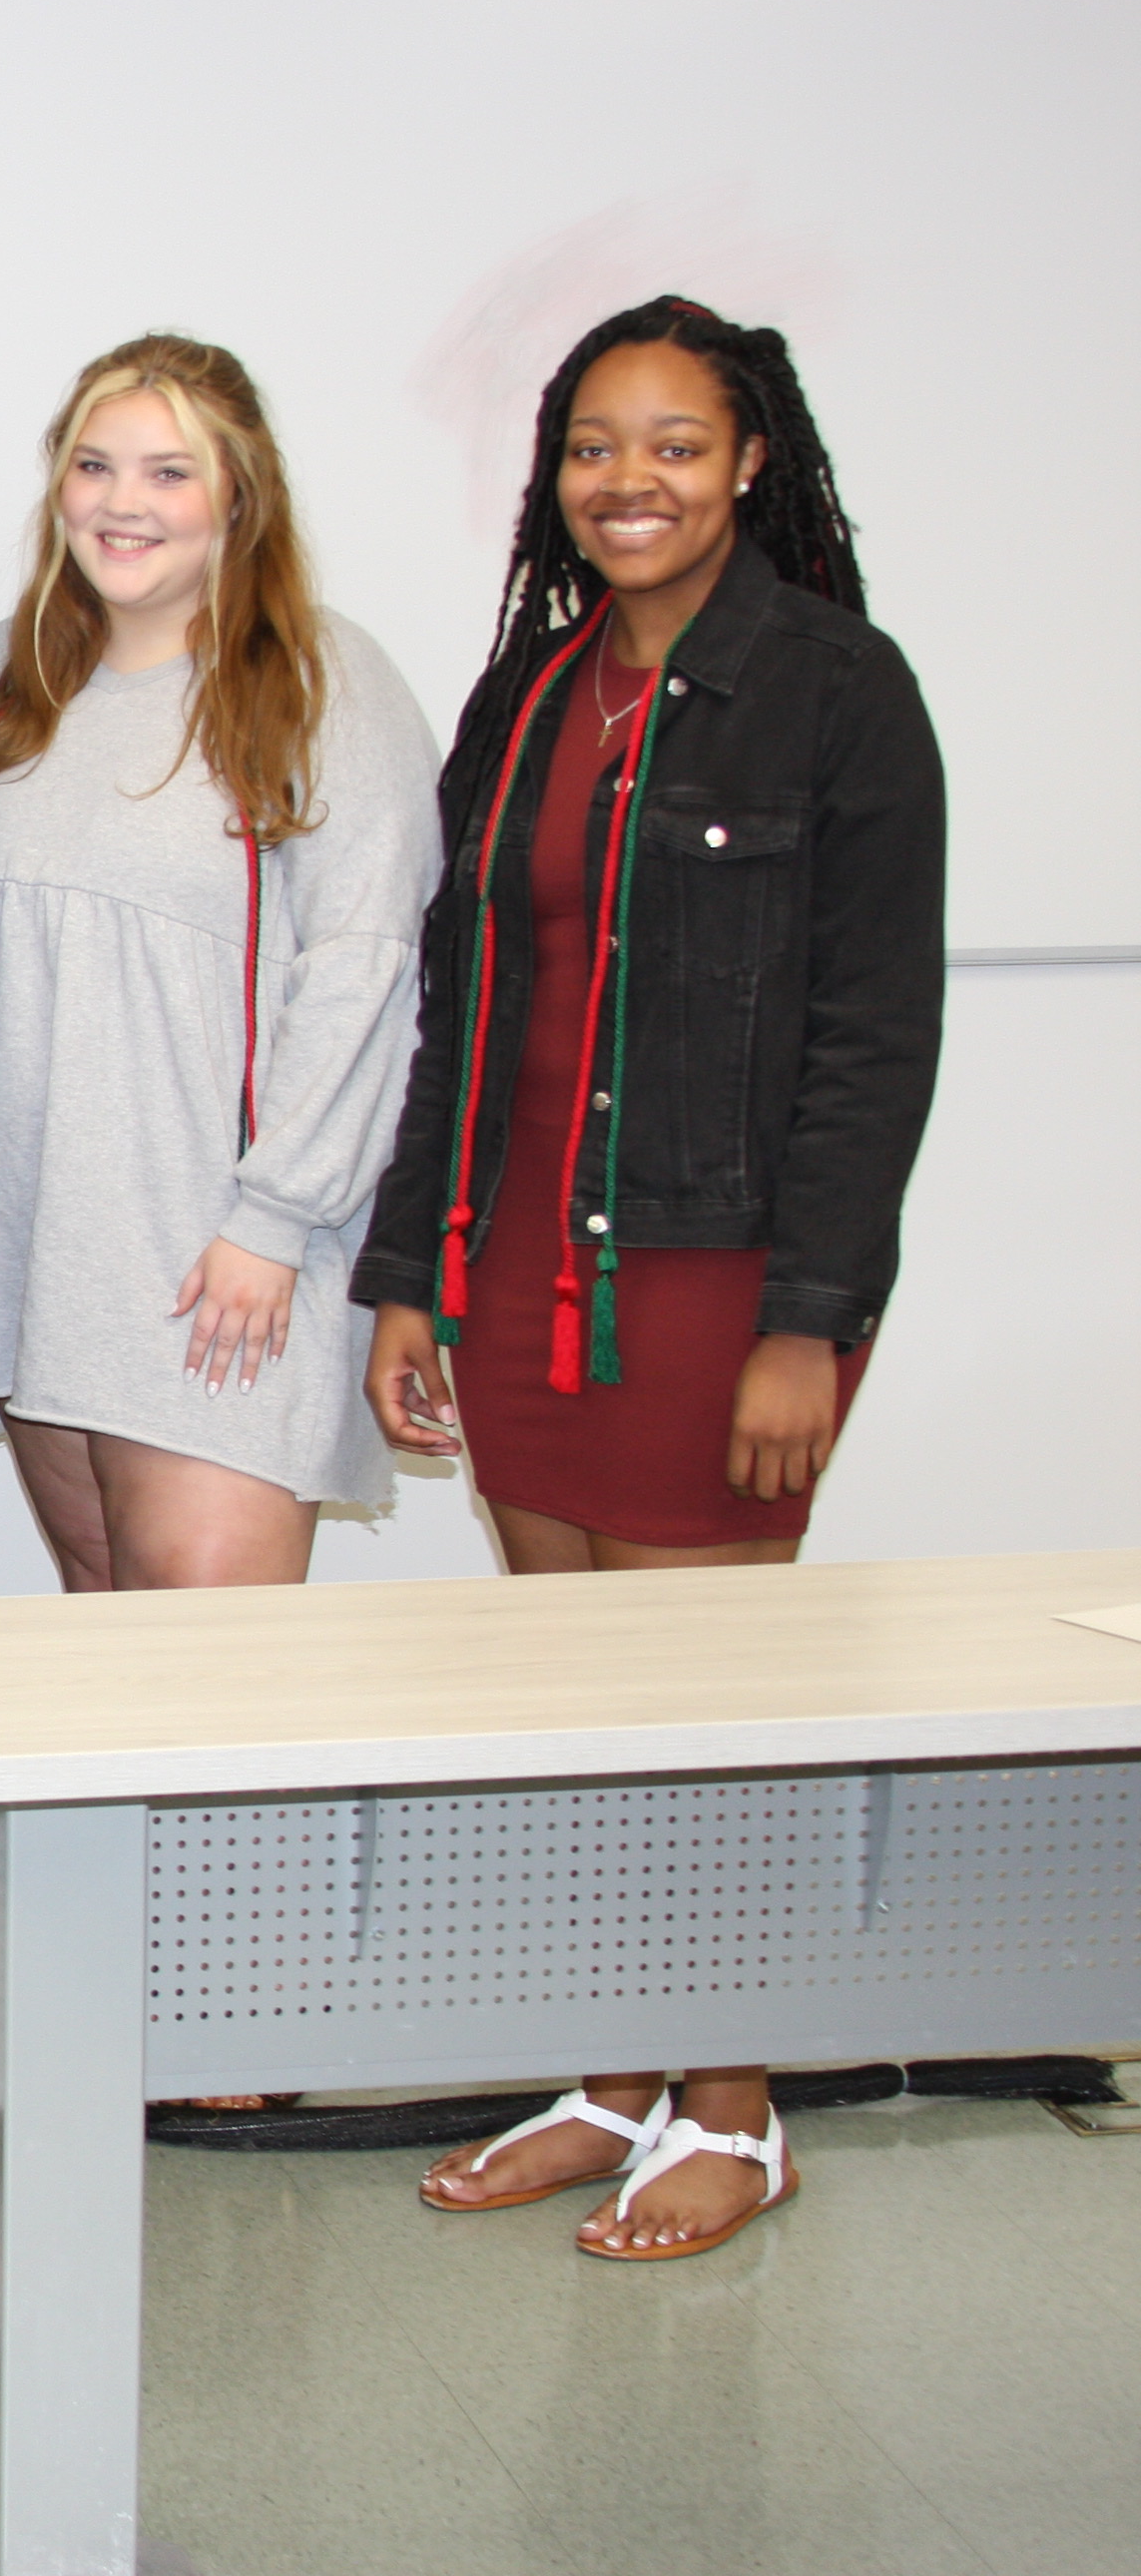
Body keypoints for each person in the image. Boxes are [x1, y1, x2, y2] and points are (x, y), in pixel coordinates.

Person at [358, 299, 941, 2258]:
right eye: (598, 447)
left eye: (676, 444)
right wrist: (411, 1273)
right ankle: (618, 2078)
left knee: (709, 1718)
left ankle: (742, 2105)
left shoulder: (842, 692)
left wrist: (815, 1322)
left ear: (751, 460)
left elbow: (875, 1039)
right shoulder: (531, 691)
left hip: (714, 1284)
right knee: (587, 1714)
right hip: (517, 1269)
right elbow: (462, 1007)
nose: (631, 483)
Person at [0, 336, 443, 1587]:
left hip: (219, 1261)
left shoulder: (322, 681)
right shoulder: (2, 674)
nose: (124, 502)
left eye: (170, 472)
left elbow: (369, 968)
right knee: (112, 1657)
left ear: (239, 496)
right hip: (36, 1247)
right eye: (95, 466)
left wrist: (275, 1217)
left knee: (214, 1697)